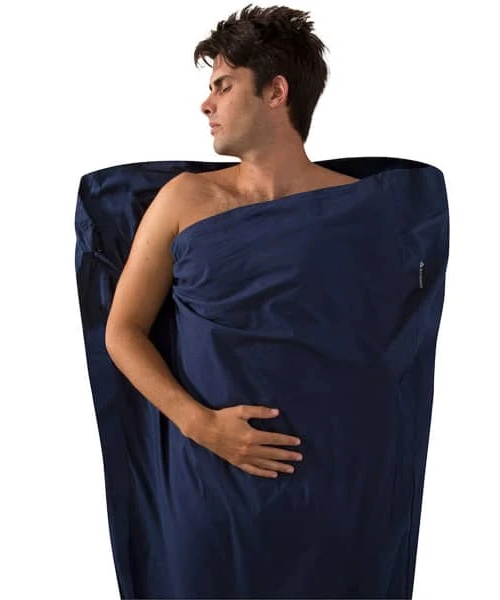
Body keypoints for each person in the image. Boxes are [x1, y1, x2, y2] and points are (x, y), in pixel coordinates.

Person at [105, 4, 359, 479]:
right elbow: (122, 330)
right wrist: (199, 425)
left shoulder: (360, 208)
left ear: (276, 92)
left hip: (332, 468)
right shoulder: (184, 199)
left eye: (223, 86)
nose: (207, 104)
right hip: (208, 472)